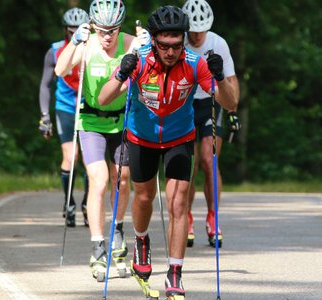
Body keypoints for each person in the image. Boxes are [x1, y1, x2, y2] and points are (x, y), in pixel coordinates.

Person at [98, 6, 237, 298]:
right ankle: (141, 240)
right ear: (155, 42)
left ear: (182, 40)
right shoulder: (139, 61)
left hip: (178, 138)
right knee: (145, 197)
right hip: (141, 138)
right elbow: (103, 98)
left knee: (177, 203)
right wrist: (121, 73)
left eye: (176, 45)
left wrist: (221, 76)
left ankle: (175, 273)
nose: (171, 52)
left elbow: (230, 103)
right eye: (164, 46)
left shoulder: (195, 64)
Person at [54, 0, 142, 281]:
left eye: (113, 31)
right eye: (102, 30)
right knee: (100, 179)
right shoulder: (87, 43)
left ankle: (117, 229)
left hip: (121, 121)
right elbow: (60, 70)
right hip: (91, 122)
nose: (107, 37)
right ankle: (98, 246)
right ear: (93, 26)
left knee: (124, 177)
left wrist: (147, 45)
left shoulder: (130, 43)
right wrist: (74, 43)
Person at [181, 0, 241, 248]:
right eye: (193, 30)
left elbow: (231, 79)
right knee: (189, 165)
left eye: (202, 29)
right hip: (184, 104)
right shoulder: (178, 42)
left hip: (211, 102)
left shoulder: (217, 43)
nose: (197, 35)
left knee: (209, 159)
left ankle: (213, 217)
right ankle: (187, 217)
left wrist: (233, 110)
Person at [39, 7, 90, 228]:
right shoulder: (55, 51)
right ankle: (69, 203)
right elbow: (45, 85)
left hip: (89, 106)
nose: (74, 35)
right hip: (66, 107)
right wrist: (44, 116)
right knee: (71, 157)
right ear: (65, 31)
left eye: (77, 31)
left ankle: (89, 203)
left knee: (91, 160)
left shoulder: (95, 47)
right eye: (70, 32)